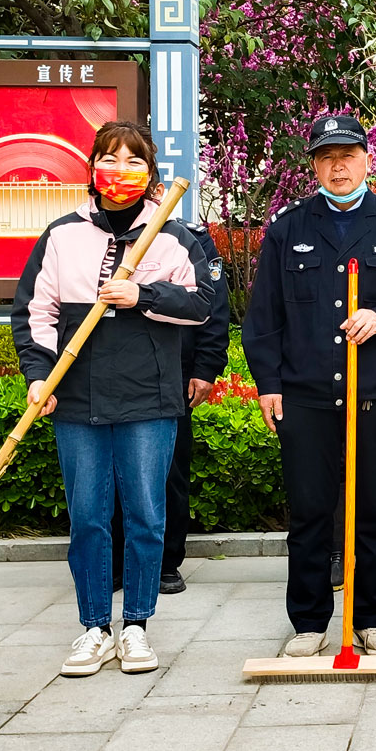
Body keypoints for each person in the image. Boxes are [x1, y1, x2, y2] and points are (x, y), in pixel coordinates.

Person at [12, 120, 214, 677]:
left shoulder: (174, 236)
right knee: (89, 518)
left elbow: (203, 305)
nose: (118, 171)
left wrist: (142, 294)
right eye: (108, 158)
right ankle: (94, 627)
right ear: (92, 168)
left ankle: (136, 626)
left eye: (132, 161)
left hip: (149, 399)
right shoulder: (62, 234)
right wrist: (39, 375)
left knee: (147, 515)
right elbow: (36, 312)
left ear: (150, 174)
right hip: (76, 400)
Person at [244, 115, 376, 658]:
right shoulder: (289, 227)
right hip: (306, 394)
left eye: (349, 154)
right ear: (313, 164)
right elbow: (263, 314)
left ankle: (372, 618)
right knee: (310, 510)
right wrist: (268, 382)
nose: (339, 165)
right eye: (327, 156)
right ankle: (309, 620)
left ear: (367, 159)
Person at [111, 191, 231, 597]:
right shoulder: (93, 237)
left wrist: (206, 368)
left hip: (171, 371)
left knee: (167, 470)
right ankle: (113, 563)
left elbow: (213, 307)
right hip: (107, 372)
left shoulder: (188, 237)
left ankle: (165, 562)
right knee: (109, 471)